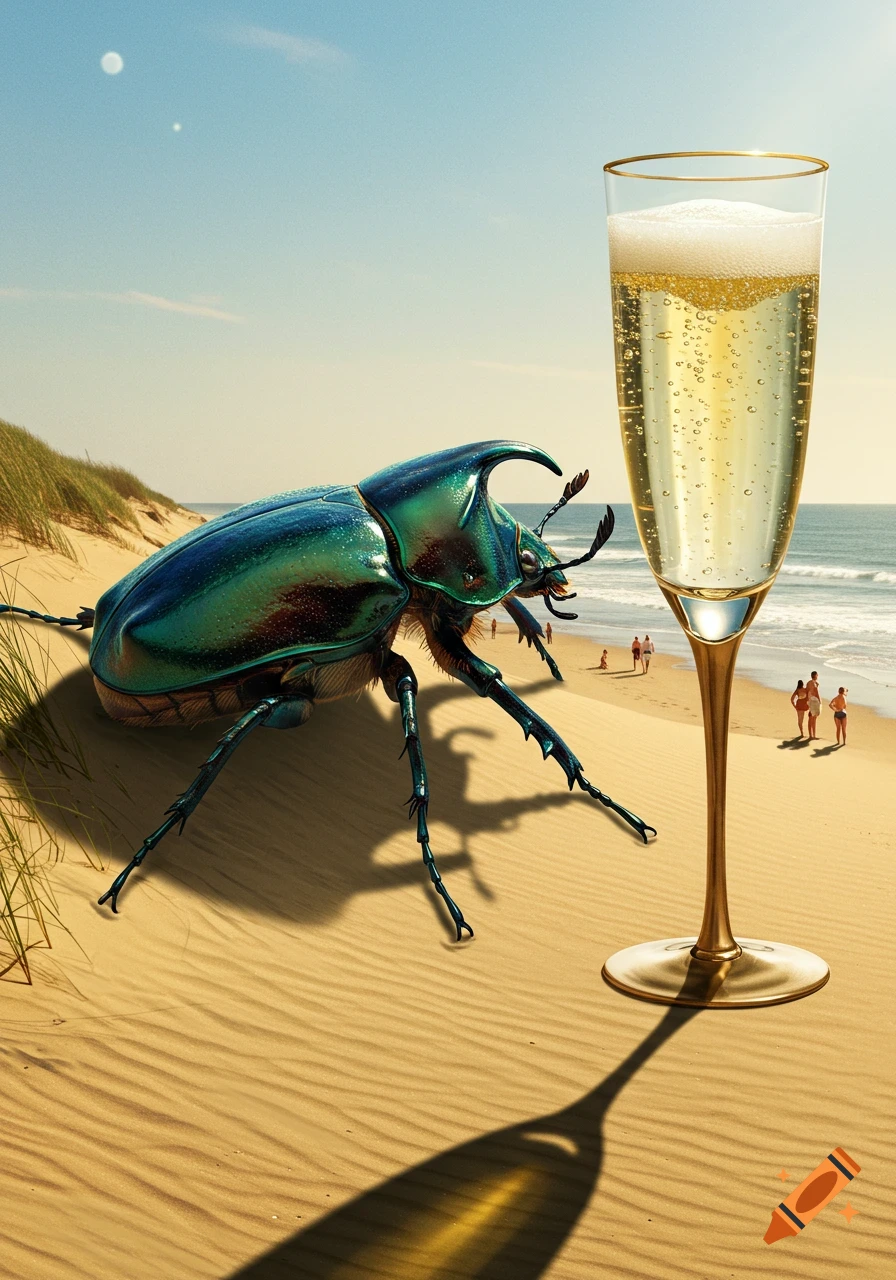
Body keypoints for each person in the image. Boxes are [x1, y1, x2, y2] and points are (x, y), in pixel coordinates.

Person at [806, 670, 821, 739]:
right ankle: (813, 735)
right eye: (817, 675)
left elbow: (807, 691)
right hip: (814, 701)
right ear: (815, 676)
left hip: (810, 700)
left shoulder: (808, 683)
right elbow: (816, 693)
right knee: (813, 718)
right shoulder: (814, 684)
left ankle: (811, 735)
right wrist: (820, 701)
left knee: (811, 717)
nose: (817, 676)